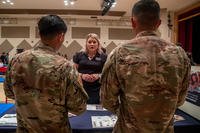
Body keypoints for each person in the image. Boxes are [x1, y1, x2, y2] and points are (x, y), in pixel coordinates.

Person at [100, 0, 191, 132]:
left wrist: (128, 115)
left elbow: (107, 100)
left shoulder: (119, 53)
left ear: (132, 22)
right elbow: (181, 99)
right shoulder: (180, 55)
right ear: (159, 23)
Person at [4, 15, 88, 133]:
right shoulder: (65, 66)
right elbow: (78, 108)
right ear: (61, 36)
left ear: (40, 33)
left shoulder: (16, 60)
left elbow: (9, 92)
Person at [73, 33, 107, 104]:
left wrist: (98, 75)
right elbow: (74, 71)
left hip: (97, 88)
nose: (92, 44)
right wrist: (82, 75)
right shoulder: (78, 55)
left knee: (95, 109)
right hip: (81, 87)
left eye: (94, 42)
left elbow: (107, 72)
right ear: (86, 44)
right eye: (89, 42)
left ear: (98, 44)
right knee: (81, 108)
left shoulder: (103, 56)